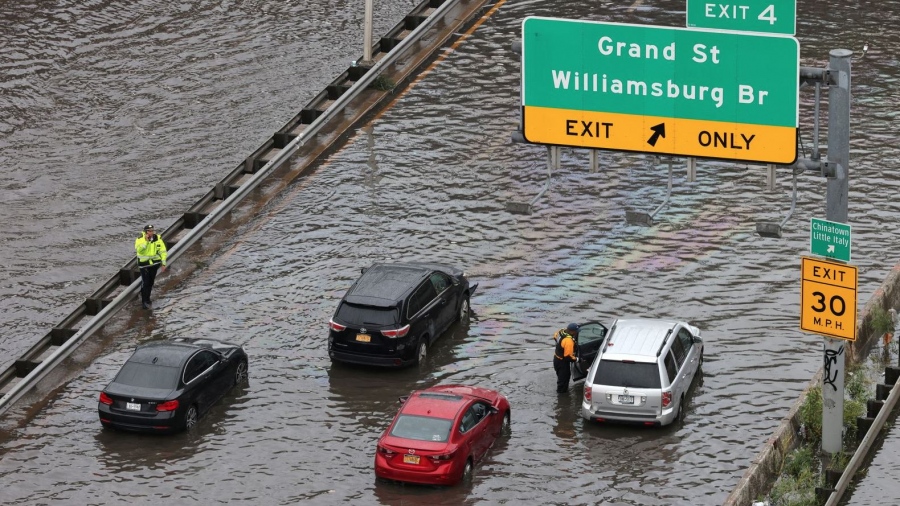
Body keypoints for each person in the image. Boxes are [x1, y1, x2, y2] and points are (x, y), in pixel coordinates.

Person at [134, 224, 167, 309]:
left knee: (151, 282)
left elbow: (162, 251)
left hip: (154, 264)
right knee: (146, 282)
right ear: (145, 232)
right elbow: (139, 250)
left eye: (152, 231)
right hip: (144, 264)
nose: (151, 232)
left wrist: (163, 263)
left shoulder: (157, 239)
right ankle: (144, 301)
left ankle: (147, 298)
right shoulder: (140, 239)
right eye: (149, 231)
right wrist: (146, 242)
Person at [553, 323, 579, 393]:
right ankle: (562, 398)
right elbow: (567, 356)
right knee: (563, 381)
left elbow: (555, 337)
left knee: (561, 378)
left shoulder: (561, 331)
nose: (577, 333)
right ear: (572, 332)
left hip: (556, 358)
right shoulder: (568, 341)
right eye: (576, 331)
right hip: (562, 363)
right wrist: (577, 359)